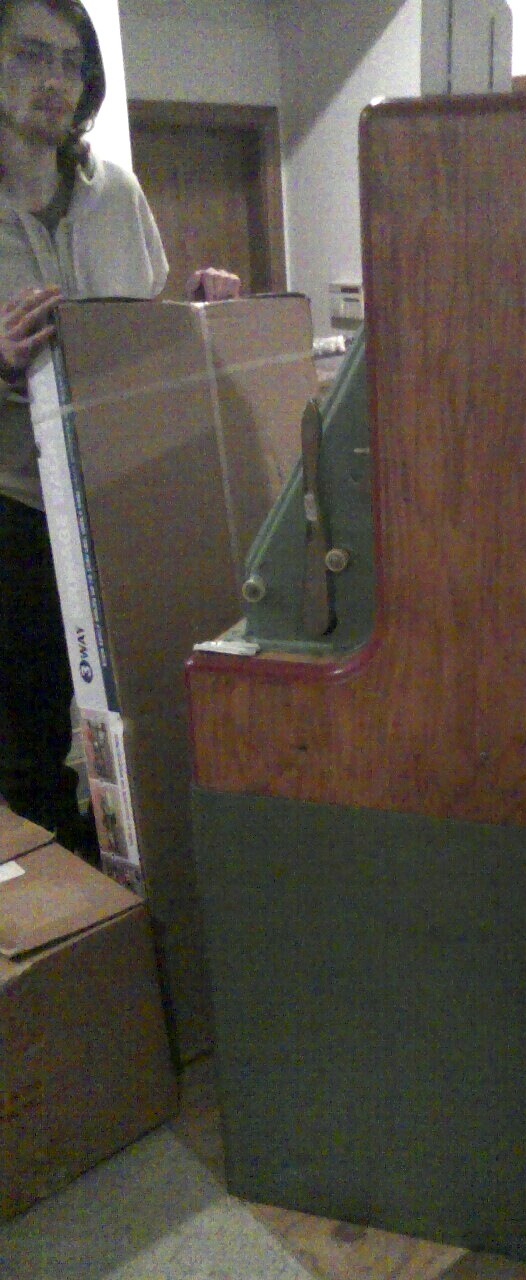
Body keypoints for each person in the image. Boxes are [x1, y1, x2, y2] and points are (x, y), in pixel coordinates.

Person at [0, 0, 239, 855]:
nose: (55, 80)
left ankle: (151, 874)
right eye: (32, 55)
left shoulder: (116, 196)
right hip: (17, 512)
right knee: (28, 735)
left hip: (121, 497)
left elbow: (138, 340)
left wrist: (195, 317)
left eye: (72, 62)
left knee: (146, 705)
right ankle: (63, 909)